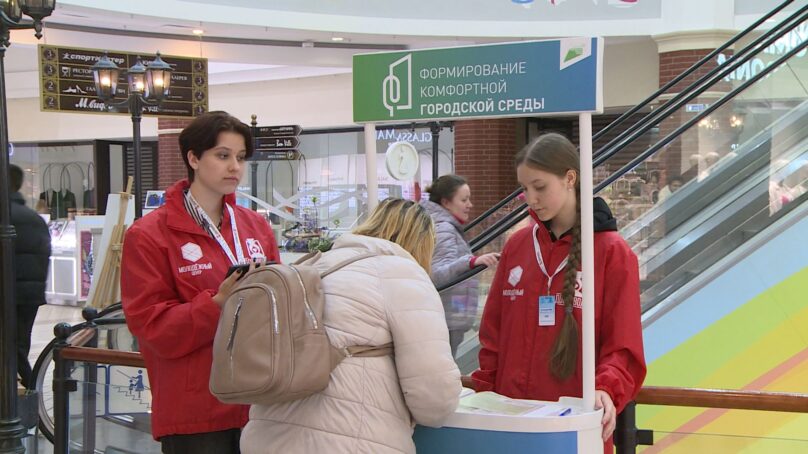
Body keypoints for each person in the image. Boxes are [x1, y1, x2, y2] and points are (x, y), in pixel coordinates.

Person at [470, 133, 646, 453]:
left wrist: (606, 389)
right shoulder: (518, 246)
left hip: (573, 429)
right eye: (524, 189)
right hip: (510, 426)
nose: (531, 198)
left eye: (539, 187)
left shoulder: (611, 252)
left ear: (570, 178)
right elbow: (492, 338)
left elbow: (624, 346)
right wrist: (483, 400)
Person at [241, 198, 461, 454]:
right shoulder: (404, 273)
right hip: (351, 442)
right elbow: (434, 400)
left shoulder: (311, 265)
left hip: (265, 439)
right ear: (424, 244)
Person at [121, 111, 281, 454]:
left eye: (240, 158)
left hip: (260, 404)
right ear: (193, 158)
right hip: (196, 409)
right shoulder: (149, 235)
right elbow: (150, 327)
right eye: (222, 156)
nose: (234, 167)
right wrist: (217, 303)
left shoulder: (255, 227)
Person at [421, 174, 500, 356]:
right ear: (446, 203)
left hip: (450, 317)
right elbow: (437, 274)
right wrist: (471, 262)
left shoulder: (440, 226)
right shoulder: (444, 229)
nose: (469, 205)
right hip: (447, 319)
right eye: (464, 199)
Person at [8, 164, 51, 389]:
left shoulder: (6, 217)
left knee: (11, 347)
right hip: (29, 295)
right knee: (20, 344)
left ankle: (25, 390)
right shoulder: (34, 218)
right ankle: (29, 389)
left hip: (8, 293)